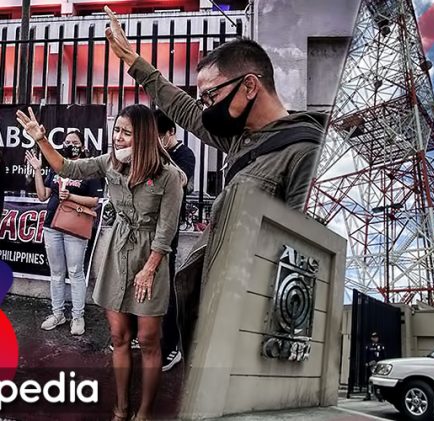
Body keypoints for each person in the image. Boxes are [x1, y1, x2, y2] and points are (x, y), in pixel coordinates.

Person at [104, 6, 326, 360]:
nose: (206, 107)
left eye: (211, 96)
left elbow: (303, 268)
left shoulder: (305, 153)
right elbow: (186, 110)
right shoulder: (242, 139)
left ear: (249, 86)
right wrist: (135, 63)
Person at [17, 105, 184, 421]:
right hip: (116, 253)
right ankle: (121, 409)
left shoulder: (169, 176)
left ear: (144, 136)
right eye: (116, 130)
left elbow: (166, 232)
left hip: (150, 258)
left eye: (126, 132)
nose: (118, 137)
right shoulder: (109, 163)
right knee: (119, 337)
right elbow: (65, 167)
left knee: (148, 340)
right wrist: (40, 139)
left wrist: (149, 269)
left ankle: (144, 413)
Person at [25, 131, 100, 336]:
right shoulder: (56, 166)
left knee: (75, 272)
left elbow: (94, 201)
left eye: (75, 142)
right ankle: (58, 314)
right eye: (67, 141)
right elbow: (43, 196)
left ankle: (78, 316)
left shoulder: (88, 168)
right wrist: (38, 170)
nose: (70, 145)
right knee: (56, 273)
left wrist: (71, 196)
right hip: (52, 226)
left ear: (82, 146)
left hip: (75, 227)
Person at [154, 109, 195, 371]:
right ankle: (137, 334)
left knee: (166, 288)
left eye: (160, 136)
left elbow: (181, 181)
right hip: (147, 224)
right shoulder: (153, 153)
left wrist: (161, 155)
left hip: (167, 229)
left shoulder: (184, 154)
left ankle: (171, 347)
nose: (156, 141)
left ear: (171, 132)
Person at [364, 332, 386, 401]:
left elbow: (383, 356)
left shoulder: (381, 346)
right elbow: (366, 356)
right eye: (374, 337)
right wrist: (367, 363)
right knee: (369, 381)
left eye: (376, 337)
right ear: (371, 338)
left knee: (378, 381)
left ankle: (379, 395)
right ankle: (368, 394)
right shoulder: (368, 346)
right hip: (370, 365)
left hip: (378, 366)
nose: (375, 339)